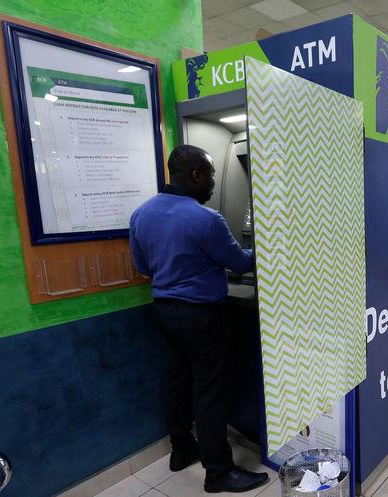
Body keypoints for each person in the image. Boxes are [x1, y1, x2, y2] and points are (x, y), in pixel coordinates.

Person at [130, 145, 269, 494]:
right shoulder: (206, 219)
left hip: (164, 311)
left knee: (176, 382)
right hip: (201, 316)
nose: (213, 182)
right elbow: (240, 263)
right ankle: (218, 472)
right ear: (196, 175)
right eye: (211, 175)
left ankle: (182, 450)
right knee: (210, 392)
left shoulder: (141, 214)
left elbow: (143, 267)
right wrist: (269, 245)